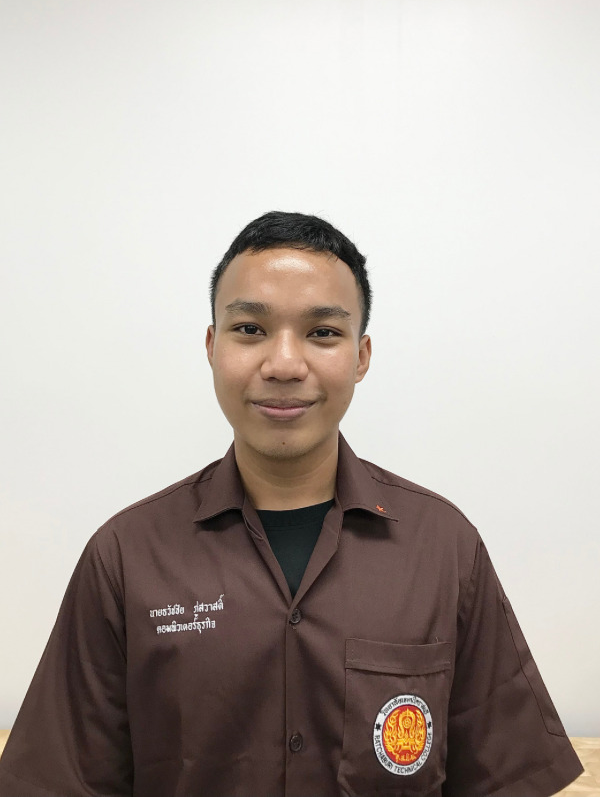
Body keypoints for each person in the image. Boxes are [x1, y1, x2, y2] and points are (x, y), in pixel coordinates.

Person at [0, 211, 584, 797]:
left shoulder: (443, 547)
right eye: (250, 329)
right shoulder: (126, 557)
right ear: (212, 347)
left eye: (322, 332)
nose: (283, 364)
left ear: (361, 355)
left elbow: (505, 778)